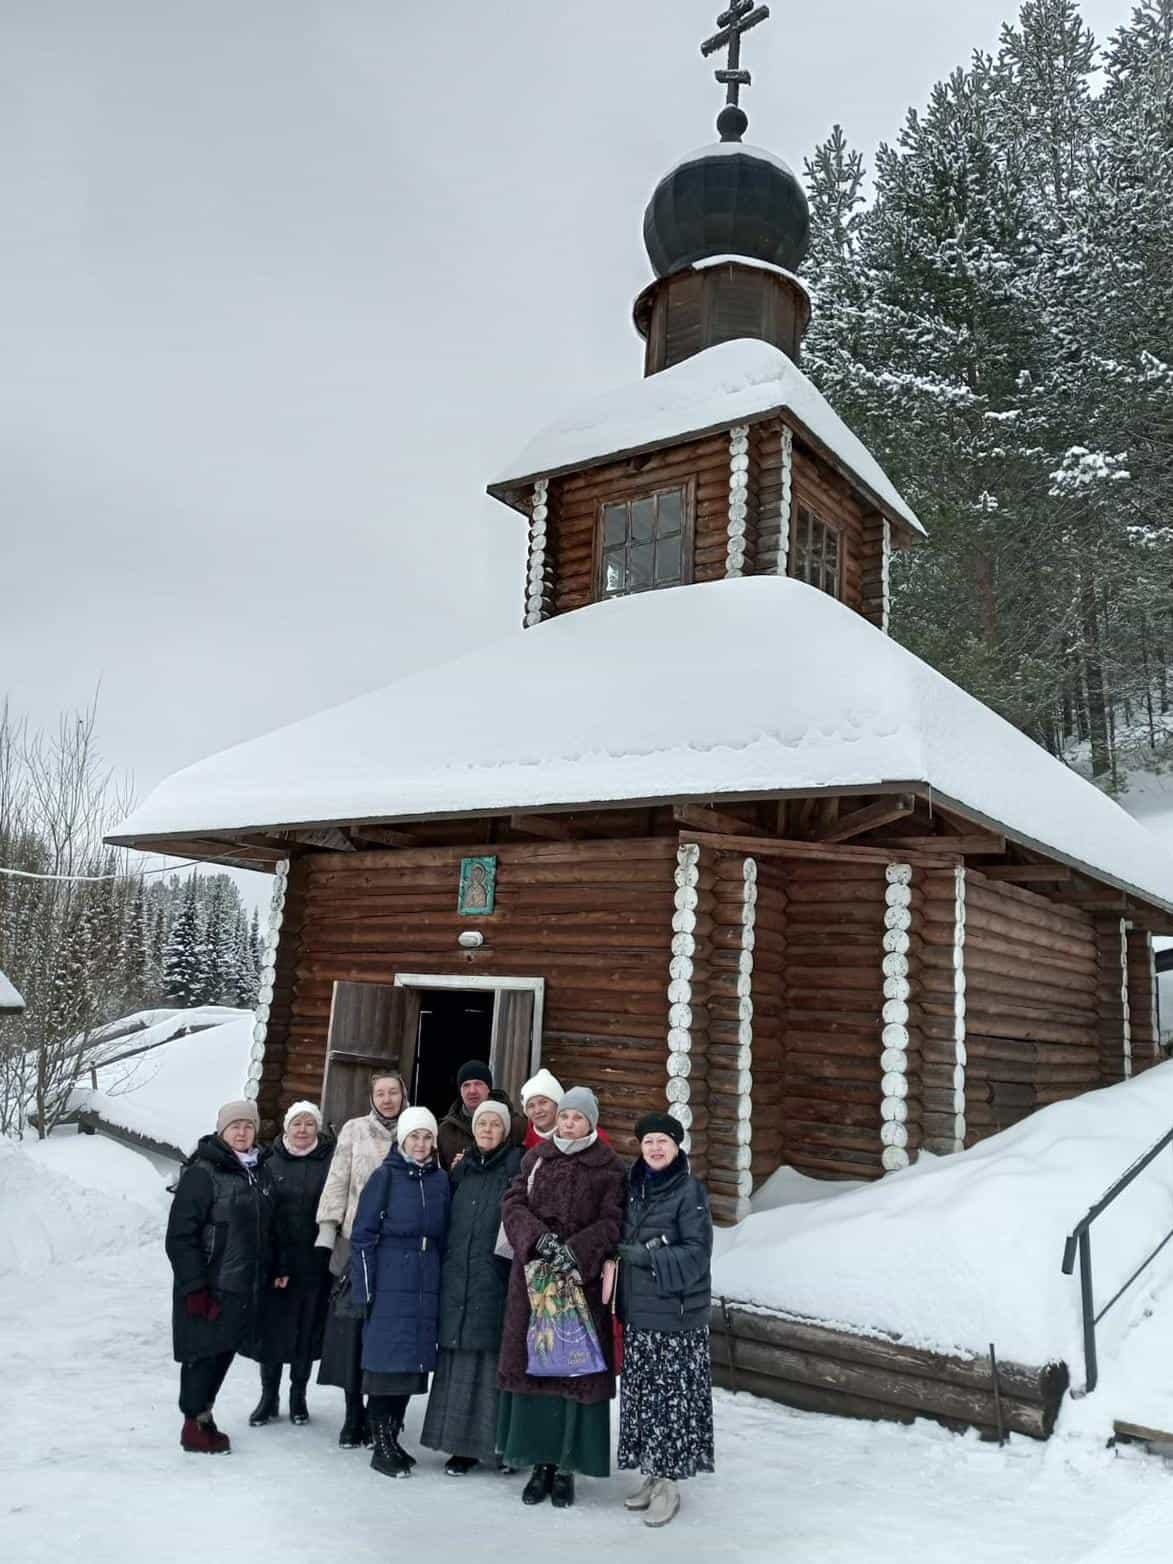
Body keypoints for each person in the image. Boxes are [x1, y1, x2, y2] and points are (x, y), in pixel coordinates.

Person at [497, 1086, 625, 1509]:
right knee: (537, 1374)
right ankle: (540, 1466)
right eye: (565, 1116)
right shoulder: (536, 1158)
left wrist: (576, 1250)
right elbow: (513, 1204)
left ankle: (567, 1467)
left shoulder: (608, 1168)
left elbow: (613, 1222)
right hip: (534, 1283)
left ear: (592, 1122)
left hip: (579, 1286)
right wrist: (538, 1240)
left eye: (577, 1117)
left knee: (573, 1373)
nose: (569, 1123)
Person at [616, 1112, 714, 1529]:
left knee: (671, 1403)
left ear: (677, 1148)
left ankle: (670, 1485)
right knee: (644, 1400)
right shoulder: (634, 1187)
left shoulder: (690, 1190)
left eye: (664, 1142)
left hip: (676, 1318)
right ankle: (653, 1475)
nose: (655, 1149)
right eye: (649, 1141)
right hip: (640, 1311)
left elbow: (697, 1252)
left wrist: (650, 1257)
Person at [165, 1098, 279, 1454]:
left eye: (248, 1126)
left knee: (222, 1350)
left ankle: (204, 1415)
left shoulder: (258, 1169)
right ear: (222, 1131)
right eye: (235, 1126)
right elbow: (180, 1236)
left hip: (241, 1283)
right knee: (203, 1353)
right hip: (211, 1283)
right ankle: (193, 1425)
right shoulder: (203, 1172)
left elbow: (265, 1227)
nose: (242, 1132)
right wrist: (195, 1286)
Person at [421, 1099, 523, 1475]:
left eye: (495, 1125)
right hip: (458, 1276)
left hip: (495, 1277)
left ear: (505, 1130)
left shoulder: (516, 1166)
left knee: (493, 1363)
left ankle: (501, 1448)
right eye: (482, 1125)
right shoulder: (461, 1170)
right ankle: (459, 1447)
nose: (487, 1131)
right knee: (459, 1361)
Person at [351, 1105, 451, 1479]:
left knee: (410, 1366)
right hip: (392, 1275)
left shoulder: (440, 1180)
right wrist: (364, 1288)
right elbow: (362, 1235)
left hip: (427, 1277)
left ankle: (393, 1437)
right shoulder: (385, 1177)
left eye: (427, 1137)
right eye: (414, 1137)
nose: (421, 1144)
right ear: (402, 1140)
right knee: (385, 1365)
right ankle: (381, 1444)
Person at [314, 1070, 409, 1447]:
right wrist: (328, 1228)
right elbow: (338, 1178)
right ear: (372, 1097)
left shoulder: (417, 1128)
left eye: (393, 1092)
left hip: (397, 1250)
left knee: (385, 1335)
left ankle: (379, 1414)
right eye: (380, 1093)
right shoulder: (354, 1129)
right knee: (352, 1333)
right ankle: (353, 1414)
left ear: (404, 1094)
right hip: (356, 1243)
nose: (387, 1099)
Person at [250, 1101, 335, 1428]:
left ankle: (298, 1396)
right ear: (287, 1128)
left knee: (306, 1329)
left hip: (314, 1260)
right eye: (297, 1124)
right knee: (272, 1331)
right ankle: (268, 1397)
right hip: (275, 1260)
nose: (302, 1130)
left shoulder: (328, 1162)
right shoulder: (268, 1163)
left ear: (317, 1128)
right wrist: (273, 1259)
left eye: (309, 1124)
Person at [437, 1059, 526, 1170]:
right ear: (460, 1090)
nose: (472, 1090)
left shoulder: (516, 1125)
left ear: (488, 1088)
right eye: (466, 1085)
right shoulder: (446, 1130)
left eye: (478, 1084)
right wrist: (455, 1171)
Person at [521, 1068, 612, 1150]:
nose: (537, 1110)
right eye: (531, 1106)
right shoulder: (523, 1135)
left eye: (543, 1102)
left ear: (557, 1103)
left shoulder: (595, 1139)